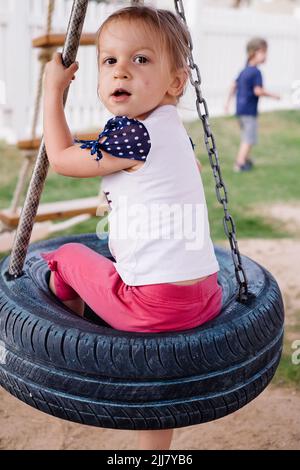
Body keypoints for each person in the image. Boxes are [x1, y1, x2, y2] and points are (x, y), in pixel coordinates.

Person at [41, 5, 222, 450]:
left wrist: (51, 92)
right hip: (205, 297)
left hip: (151, 306)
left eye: (140, 60)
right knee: (153, 381)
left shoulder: (132, 135)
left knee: (66, 257)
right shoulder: (168, 128)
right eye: (110, 61)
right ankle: (154, 454)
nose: (121, 70)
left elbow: (62, 158)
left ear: (176, 83)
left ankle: (73, 347)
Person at [224, 37, 280, 172]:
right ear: (254, 53)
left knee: (246, 136)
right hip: (249, 111)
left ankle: (246, 160)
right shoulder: (256, 72)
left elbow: (233, 85)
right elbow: (258, 91)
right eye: (263, 52)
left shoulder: (243, 70)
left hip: (240, 110)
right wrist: (274, 96)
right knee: (249, 139)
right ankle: (239, 164)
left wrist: (227, 103)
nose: (266, 55)